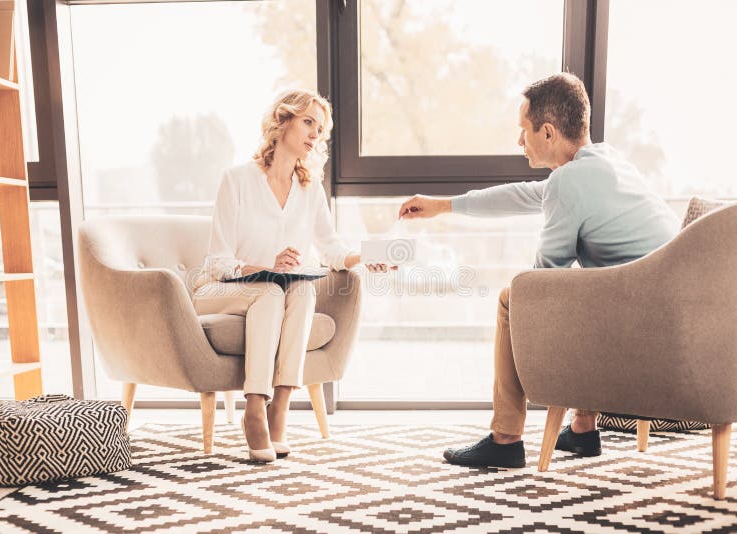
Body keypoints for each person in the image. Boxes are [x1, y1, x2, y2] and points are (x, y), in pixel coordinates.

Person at [398, 73, 679, 468]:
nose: (519, 141)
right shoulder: (604, 161)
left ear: (547, 132)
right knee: (587, 289)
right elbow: (525, 195)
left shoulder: (570, 181)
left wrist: (530, 301)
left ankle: (506, 438)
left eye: (523, 130)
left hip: (640, 329)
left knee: (515, 298)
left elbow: (545, 279)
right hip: (668, 317)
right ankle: (582, 428)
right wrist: (443, 205)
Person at [194, 89, 391, 463]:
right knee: (270, 290)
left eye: (320, 128)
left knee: (301, 292)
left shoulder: (308, 187)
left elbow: (331, 247)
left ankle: (279, 408)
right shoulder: (237, 180)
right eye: (308, 122)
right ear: (282, 121)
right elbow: (217, 260)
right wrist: (267, 266)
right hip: (220, 289)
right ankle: (255, 407)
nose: (315, 134)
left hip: (274, 292)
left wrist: (367, 257)